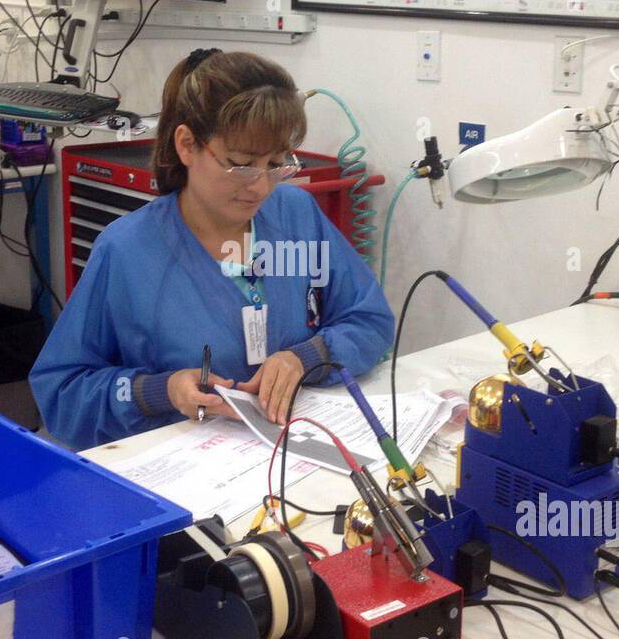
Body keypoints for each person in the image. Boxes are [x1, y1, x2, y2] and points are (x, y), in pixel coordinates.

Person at [30, 49, 393, 449]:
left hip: (293, 453)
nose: (261, 186)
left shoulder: (296, 217)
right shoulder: (126, 252)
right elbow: (61, 394)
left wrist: (306, 357)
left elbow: (370, 321)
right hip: (186, 473)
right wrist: (159, 391)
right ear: (187, 145)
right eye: (240, 164)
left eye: (276, 164)